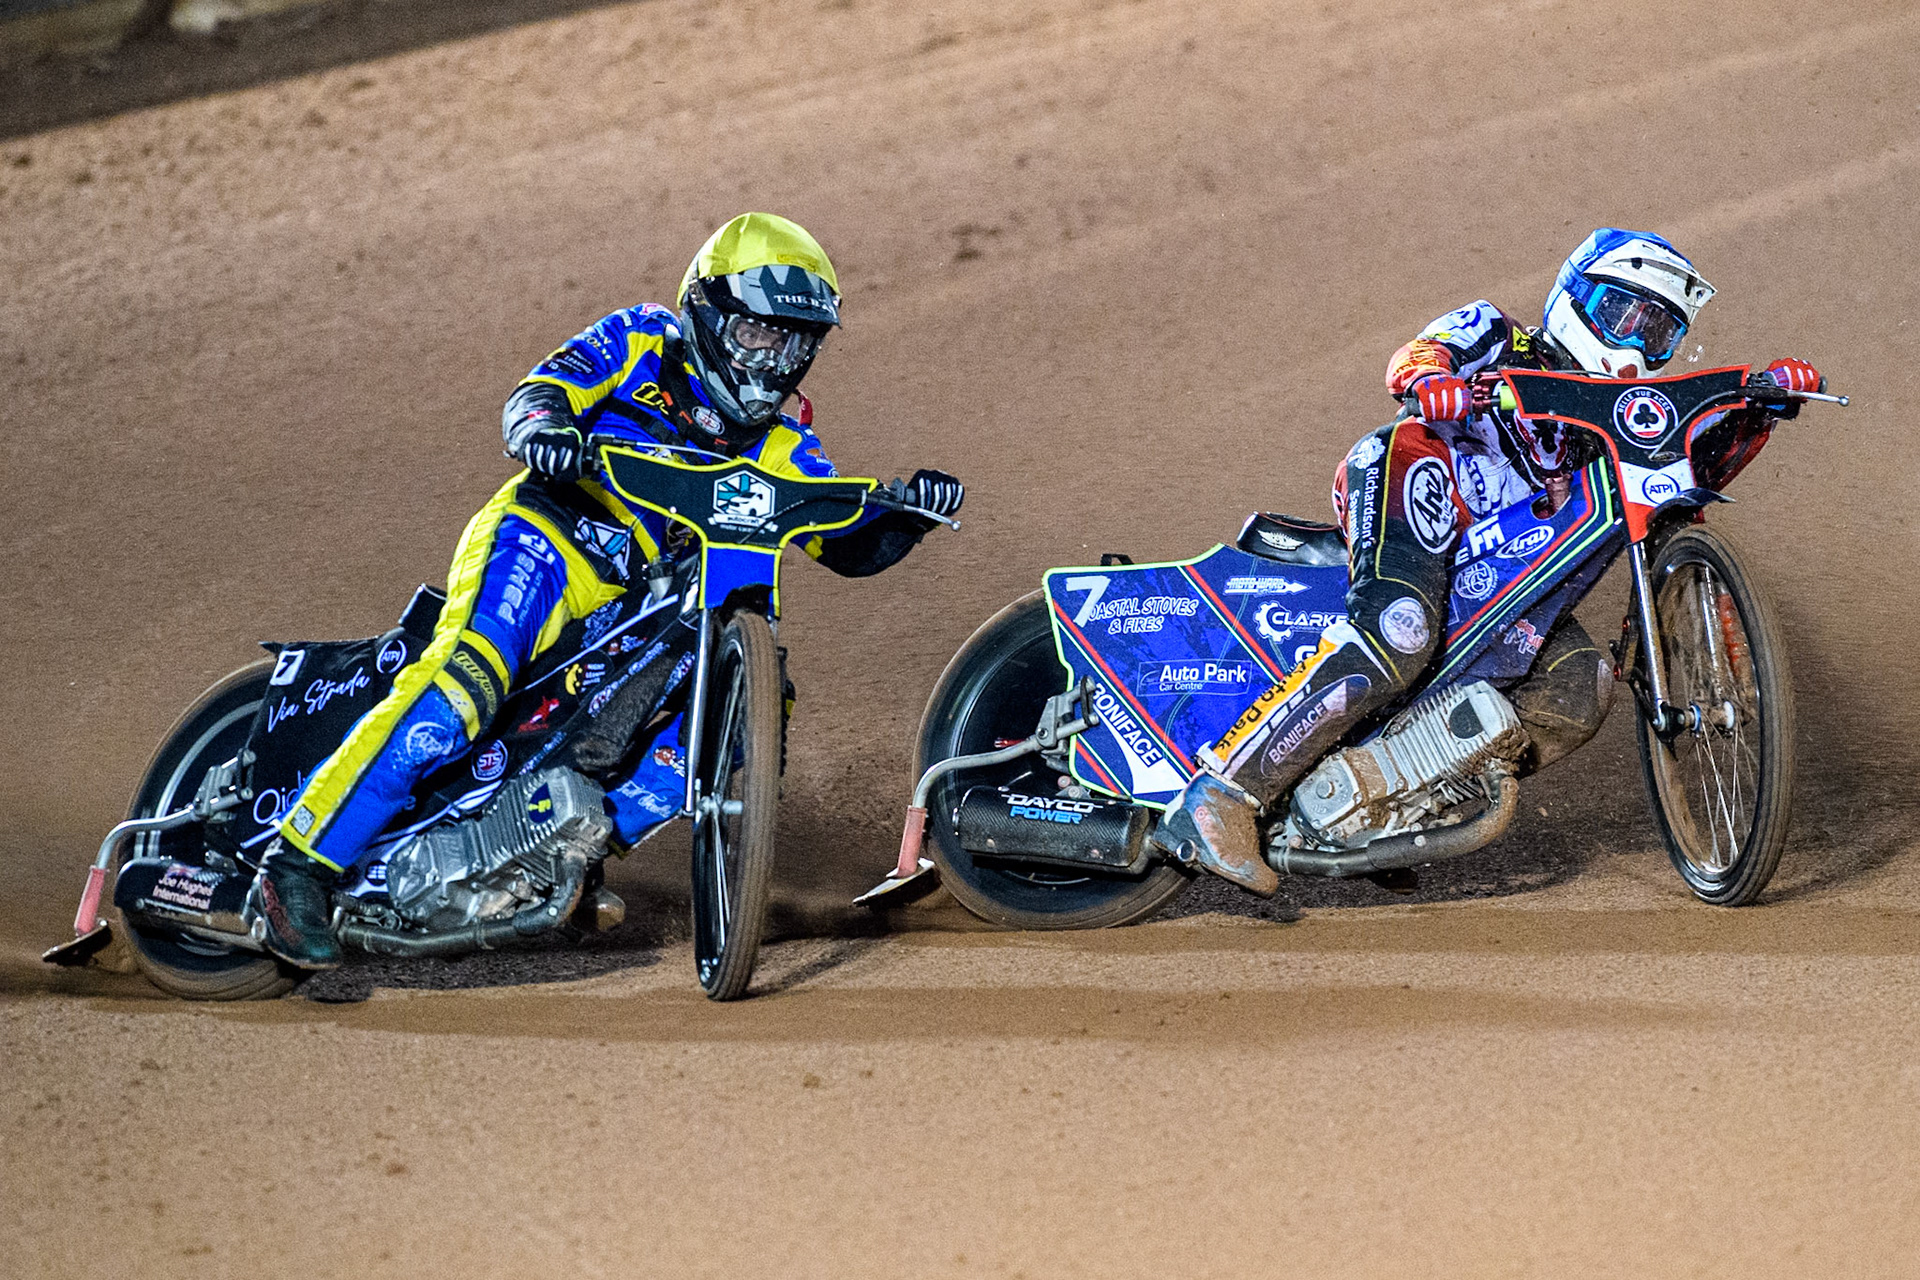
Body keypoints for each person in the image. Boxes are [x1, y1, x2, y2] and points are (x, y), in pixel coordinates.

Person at [246, 213, 965, 967]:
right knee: (466, 681)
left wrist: (907, 513)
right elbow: (540, 393)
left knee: (759, 699)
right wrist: (545, 430)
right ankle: (295, 866)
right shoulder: (642, 339)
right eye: (758, 333)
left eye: (794, 342)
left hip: (639, 605)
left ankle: (562, 846)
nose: (773, 360)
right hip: (548, 540)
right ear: (709, 311)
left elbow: (845, 543)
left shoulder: (785, 445)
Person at [1155, 227, 1824, 896]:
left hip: (1498, 575)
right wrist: (1436, 382)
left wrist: (1760, 407)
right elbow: (1415, 357)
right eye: (1621, 313)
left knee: (1580, 683)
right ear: (1576, 297)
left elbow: (1685, 481)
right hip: (1420, 476)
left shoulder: (1620, 425)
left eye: (1657, 331)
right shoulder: (1501, 336)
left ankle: (1389, 801)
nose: (1632, 342)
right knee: (1401, 628)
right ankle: (1220, 799)